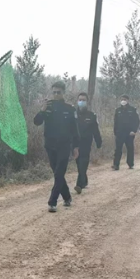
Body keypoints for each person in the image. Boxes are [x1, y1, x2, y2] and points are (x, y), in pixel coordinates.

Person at [34, 81, 80, 212]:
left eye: (58, 92)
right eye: (53, 92)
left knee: (60, 172)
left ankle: (52, 202)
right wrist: (42, 110)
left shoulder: (70, 109)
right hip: (50, 145)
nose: (55, 94)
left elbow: (74, 130)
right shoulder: (47, 107)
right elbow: (36, 122)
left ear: (63, 93)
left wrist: (76, 147)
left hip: (64, 145)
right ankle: (67, 197)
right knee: (57, 173)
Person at [74, 92, 102, 194]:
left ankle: (79, 185)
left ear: (87, 102)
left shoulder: (91, 115)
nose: (81, 102)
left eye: (83, 100)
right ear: (77, 101)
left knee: (83, 164)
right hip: (75, 145)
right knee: (78, 164)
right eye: (80, 100)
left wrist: (99, 142)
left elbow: (96, 130)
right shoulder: (73, 114)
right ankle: (84, 181)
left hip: (86, 144)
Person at [112, 94, 139, 170]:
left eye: (124, 99)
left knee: (130, 149)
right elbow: (115, 122)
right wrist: (115, 132)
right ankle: (116, 165)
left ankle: (130, 164)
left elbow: (137, 121)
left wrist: (134, 130)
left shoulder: (133, 110)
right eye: (122, 99)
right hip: (120, 133)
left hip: (129, 133)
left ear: (128, 100)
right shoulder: (118, 110)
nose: (123, 101)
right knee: (118, 149)